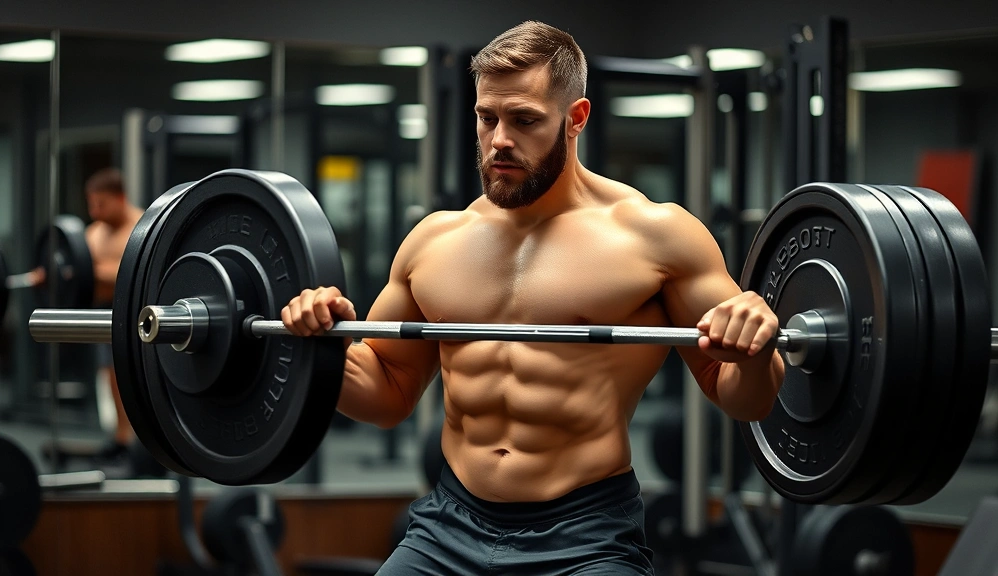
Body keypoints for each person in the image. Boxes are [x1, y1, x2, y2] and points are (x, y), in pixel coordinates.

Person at [283, 21, 785, 575]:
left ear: (576, 118)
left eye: (524, 120)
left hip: (585, 536)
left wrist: (754, 351)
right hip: (448, 526)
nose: (500, 139)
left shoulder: (655, 236)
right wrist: (320, 346)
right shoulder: (435, 241)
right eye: (487, 118)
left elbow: (744, 399)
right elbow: (388, 394)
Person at [83, 168, 144, 458]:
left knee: (133, 378)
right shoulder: (94, 233)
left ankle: (140, 443)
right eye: (91, 204)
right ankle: (122, 439)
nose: (94, 212)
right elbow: (77, 269)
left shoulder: (142, 227)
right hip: (103, 313)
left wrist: (93, 271)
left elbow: (132, 274)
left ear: (120, 198)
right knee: (111, 378)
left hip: (136, 315)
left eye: (101, 204)